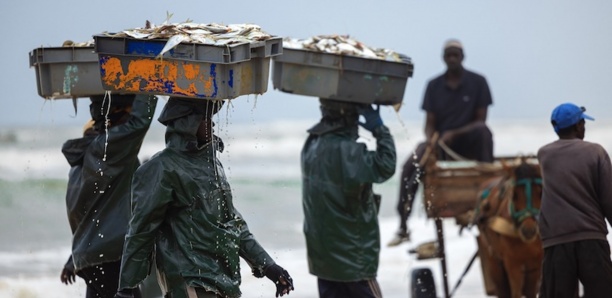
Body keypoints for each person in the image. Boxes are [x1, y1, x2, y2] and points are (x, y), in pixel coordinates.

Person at [114, 97, 294, 298]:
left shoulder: (213, 165)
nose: (212, 123)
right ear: (186, 122)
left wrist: (269, 266)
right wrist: (126, 288)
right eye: (205, 117)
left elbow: (233, 223)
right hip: (191, 281)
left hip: (224, 281)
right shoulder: (162, 168)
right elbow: (141, 230)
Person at [387, 39, 494, 246]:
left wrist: (454, 133)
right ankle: (403, 225)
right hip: (442, 144)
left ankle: (487, 192)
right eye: (448, 55)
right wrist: (431, 140)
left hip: (470, 143)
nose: (452, 58)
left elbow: (481, 119)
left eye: (456, 54)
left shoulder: (478, 81)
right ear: (443, 58)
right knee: (412, 163)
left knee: (484, 132)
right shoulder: (433, 85)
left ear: (462, 57)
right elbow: (429, 123)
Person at [60, 93, 158, 297]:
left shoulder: (81, 164)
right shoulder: (109, 151)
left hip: (89, 258)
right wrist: (147, 80)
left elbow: (88, 218)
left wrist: (73, 258)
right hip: (112, 256)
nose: (127, 124)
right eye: (126, 116)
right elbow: (139, 123)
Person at [301, 99, 396, 298]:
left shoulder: (310, 146)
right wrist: (379, 129)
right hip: (354, 261)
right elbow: (386, 164)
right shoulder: (351, 152)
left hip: (322, 260)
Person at [537, 102, 612, 297]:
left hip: (556, 241)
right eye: (583, 123)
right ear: (579, 126)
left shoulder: (544, 155)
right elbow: (608, 199)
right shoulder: (596, 152)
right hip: (591, 239)